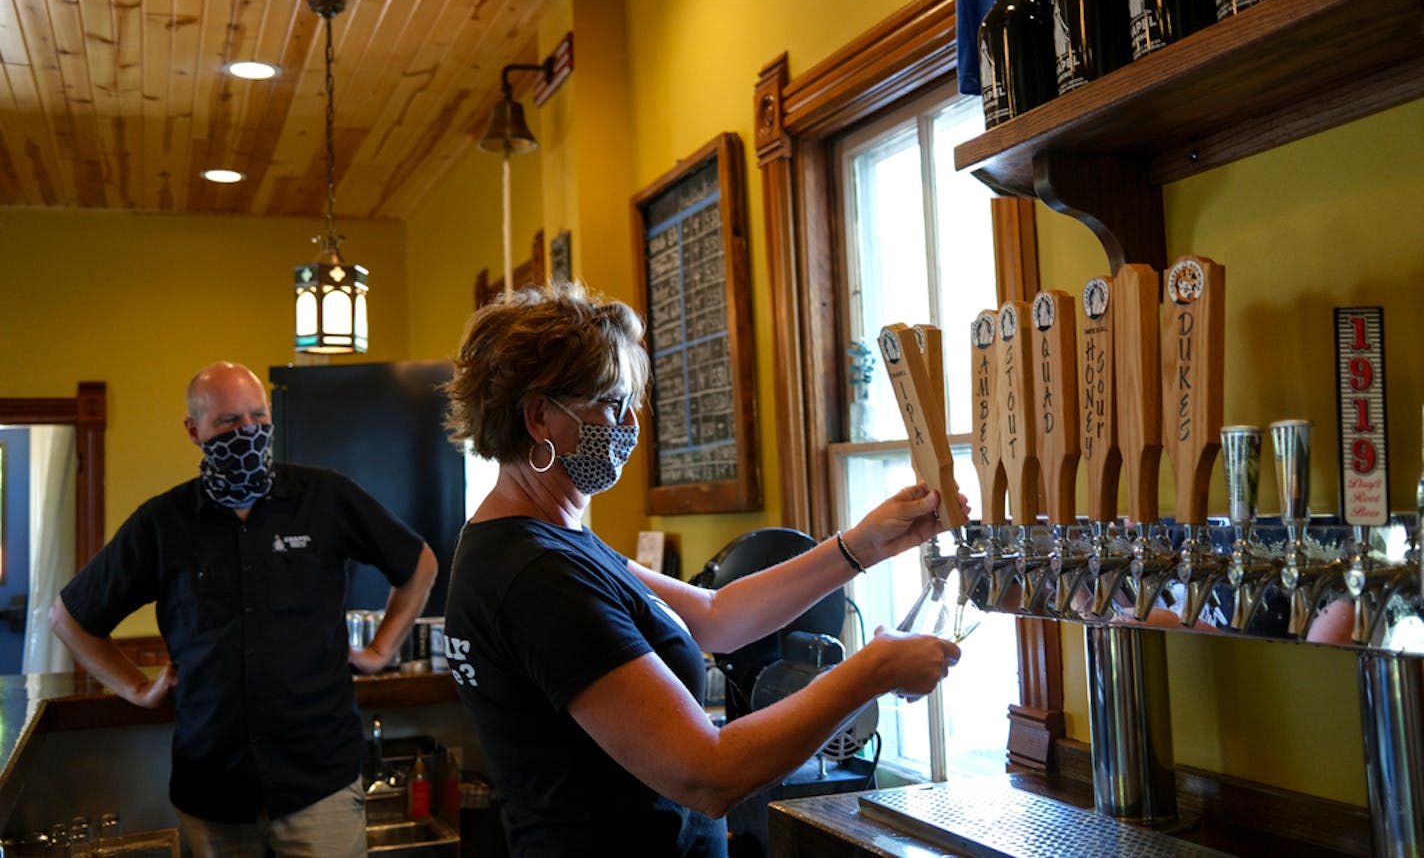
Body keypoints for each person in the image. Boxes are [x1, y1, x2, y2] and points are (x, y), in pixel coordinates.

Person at [441, 283, 965, 857]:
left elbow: (716, 616)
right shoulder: (537, 576)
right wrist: (874, 669)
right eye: (609, 404)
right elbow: (707, 774)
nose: (627, 425)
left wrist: (863, 545)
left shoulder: (544, 541)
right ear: (540, 417)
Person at [50, 361, 439, 857]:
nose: (248, 432)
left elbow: (418, 563)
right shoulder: (163, 523)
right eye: (229, 422)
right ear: (194, 431)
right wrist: (137, 689)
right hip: (212, 788)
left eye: (258, 417)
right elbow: (68, 618)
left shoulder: (325, 497)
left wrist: (383, 648)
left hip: (319, 781)